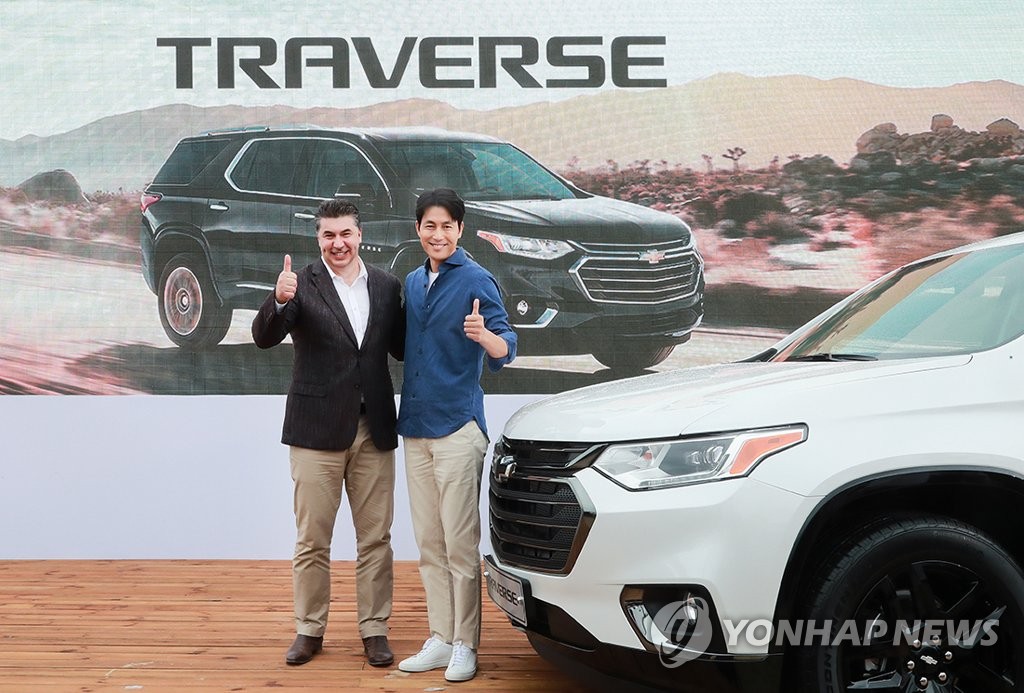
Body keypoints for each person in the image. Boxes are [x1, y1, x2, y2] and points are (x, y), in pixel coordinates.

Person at [251, 199, 404, 669]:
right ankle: (309, 629)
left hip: (373, 428)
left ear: (360, 235)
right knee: (312, 539)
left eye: (345, 234)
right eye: (327, 236)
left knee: (375, 539)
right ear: (318, 239)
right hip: (315, 430)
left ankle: (374, 630)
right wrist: (277, 300)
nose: (337, 243)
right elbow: (264, 336)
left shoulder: (386, 285)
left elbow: (401, 348)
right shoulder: (300, 284)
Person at [396, 188, 517, 682]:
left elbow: (507, 344)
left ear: (460, 230)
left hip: (458, 428)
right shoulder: (410, 282)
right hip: (416, 427)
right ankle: (440, 637)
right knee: (429, 543)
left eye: (447, 226)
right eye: (429, 225)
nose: (437, 234)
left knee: (461, 546)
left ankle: (466, 643)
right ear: (418, 229)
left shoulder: (476, 279)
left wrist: (484, 336)